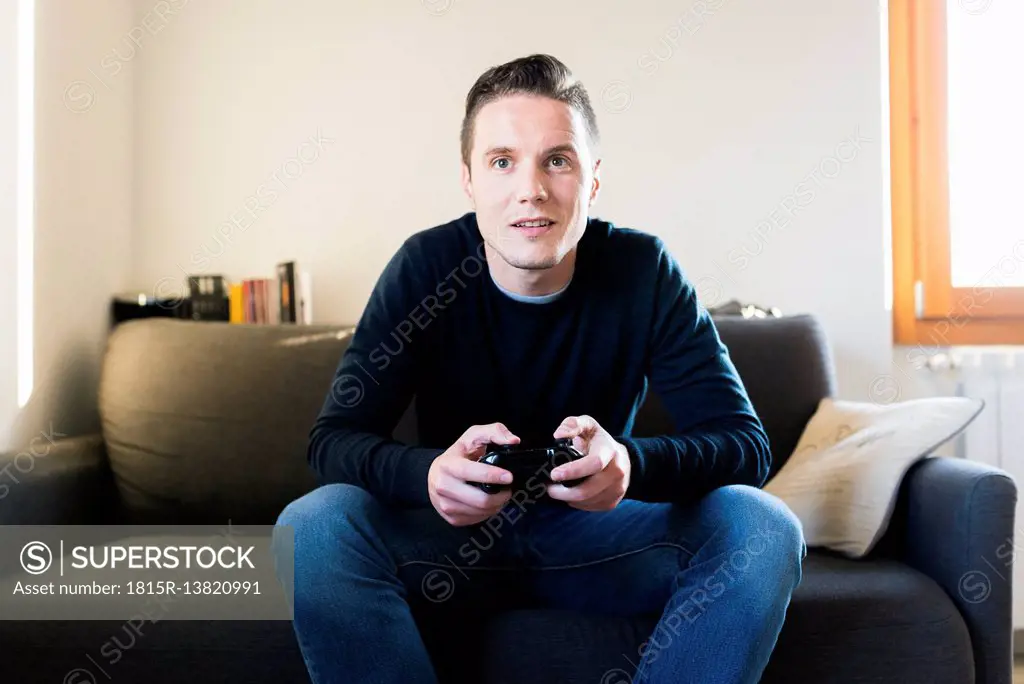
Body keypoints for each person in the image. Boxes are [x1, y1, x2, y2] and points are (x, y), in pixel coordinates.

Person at [274, 53, 806, 684]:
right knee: (312, 524)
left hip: (601, 540)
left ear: (593, 180)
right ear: (470, 181)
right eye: (503, 162)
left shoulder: (643, 270)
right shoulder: (425, 266)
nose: (531, 188)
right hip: (448, 545)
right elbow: (332, 440)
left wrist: (631, 464)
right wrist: (428, 475)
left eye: (558, 159)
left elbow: (745, 446)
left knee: (764, 526)